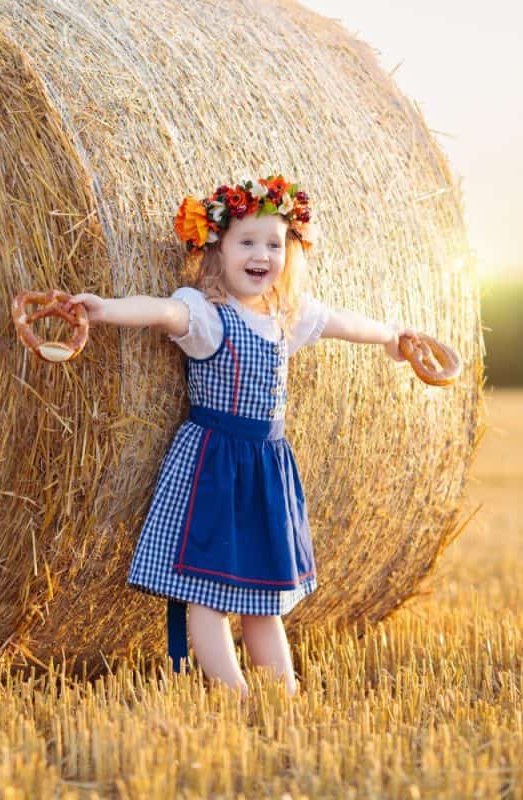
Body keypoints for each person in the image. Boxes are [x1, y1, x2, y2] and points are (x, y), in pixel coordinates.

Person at [70, 175, 418, 699]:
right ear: (218, 251)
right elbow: (162, 312)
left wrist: (392, 335)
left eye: (274, 245)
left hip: (267, 470)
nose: (262, 255)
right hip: (213, 466)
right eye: (247, 243)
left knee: (266, 599)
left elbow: (343, 323)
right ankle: (235, 696)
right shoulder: (208, 316)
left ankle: (284, 696)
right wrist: (107, 309)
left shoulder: (287, 318)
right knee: (206, 596)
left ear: (289, 254)